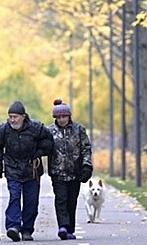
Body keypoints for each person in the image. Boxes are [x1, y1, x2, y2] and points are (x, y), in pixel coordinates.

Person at [0, 101, 54, 242]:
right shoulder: (4, 129)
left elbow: (49, 142)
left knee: (31, 201)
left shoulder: (36, 128)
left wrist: (38, 152)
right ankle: (13, 227)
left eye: (15, 117)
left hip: (32, 169)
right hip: (13, 168)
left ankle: (27, 229)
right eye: (10, 117)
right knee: (14, 197)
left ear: (23, 116)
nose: (12, 119)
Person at [46, 99, 93, 240]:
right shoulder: (50, 131)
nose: (61, 120)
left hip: (75, 173)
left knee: (72, 201)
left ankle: (70, 229)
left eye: (63, 117)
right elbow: (43, 146)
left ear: (69, 116)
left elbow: (86, 148)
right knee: (61, 199)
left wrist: (87, 166)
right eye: (58, 117)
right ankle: (63, 226)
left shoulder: (78, 130)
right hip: (58, 172)